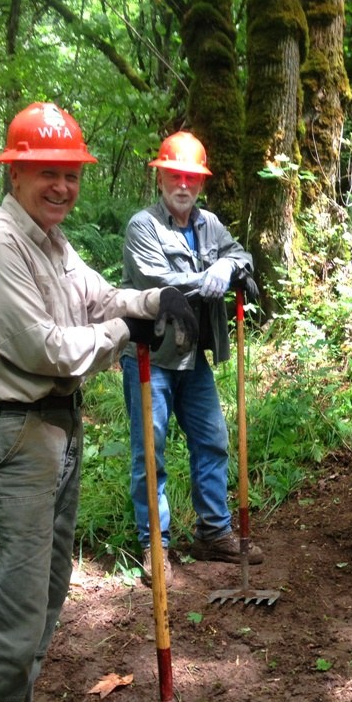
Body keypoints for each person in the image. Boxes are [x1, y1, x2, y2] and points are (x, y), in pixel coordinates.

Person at [0, 102, 198, 702]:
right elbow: (44, 350)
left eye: (72, 174)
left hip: (54, 432)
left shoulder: (52, 243)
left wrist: (156, 300)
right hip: (13, 439)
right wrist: (125, 332)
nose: (63, 186)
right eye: (48, 173)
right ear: (14, 173)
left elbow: (102, 297)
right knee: (10, 618)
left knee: (43, 599)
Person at [121, 130, 263, 588]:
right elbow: (156, 280)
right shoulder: (143, 226)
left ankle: (213, 533)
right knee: (151, 451)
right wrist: (209, 276)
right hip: (150, 354)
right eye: (175, 176)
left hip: (192, 357)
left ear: (201, 182)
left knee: (213, 439)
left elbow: (241, 254)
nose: (183, 185)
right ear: (161, 177)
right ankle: (154, 544)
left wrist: (230, 265)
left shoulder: (209, 224)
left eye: (191, 178)